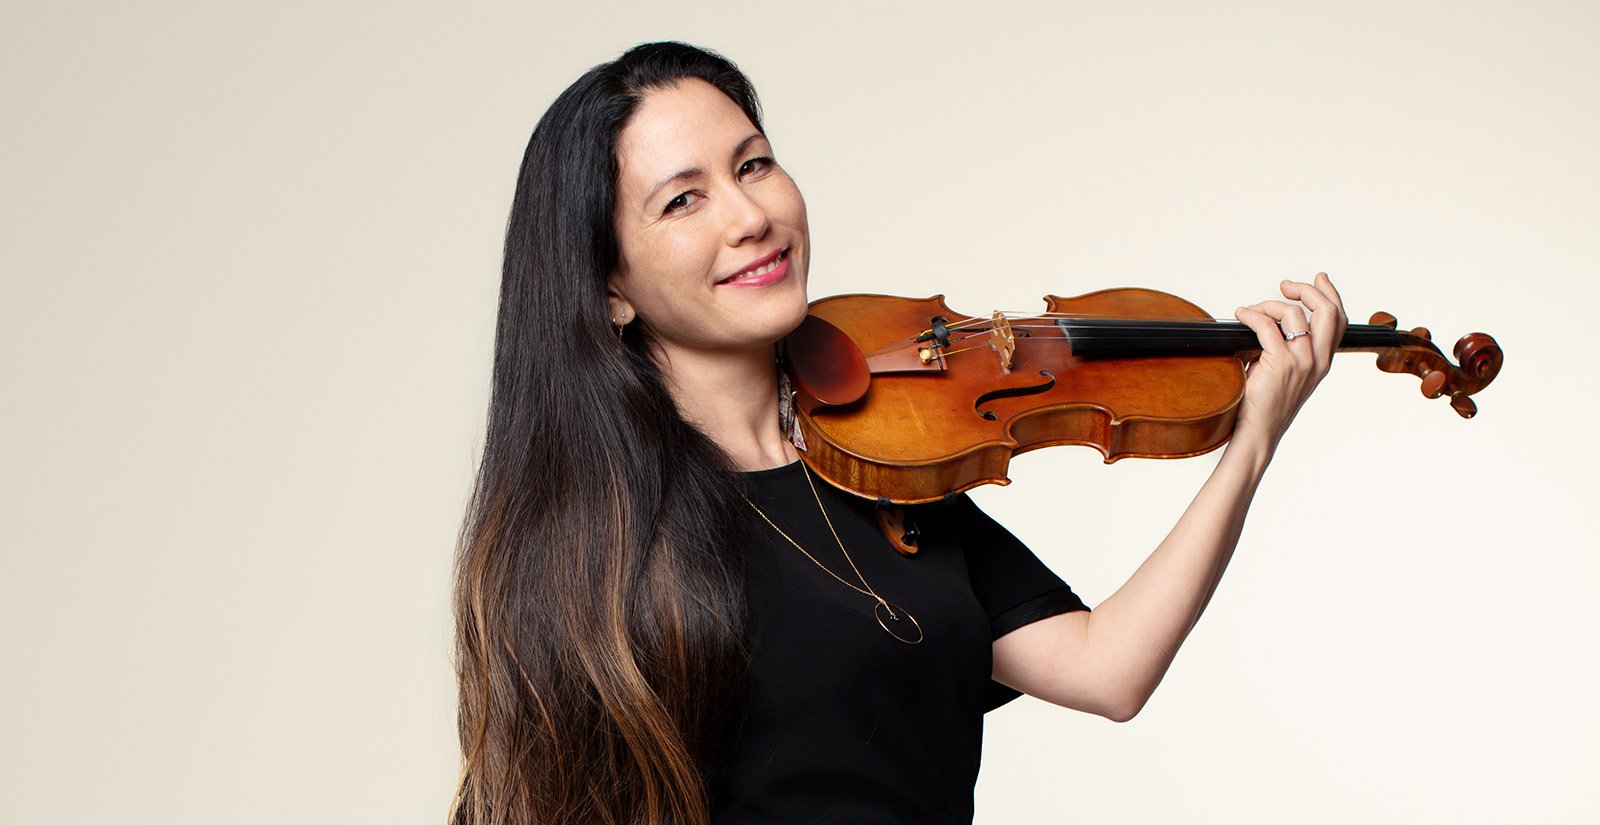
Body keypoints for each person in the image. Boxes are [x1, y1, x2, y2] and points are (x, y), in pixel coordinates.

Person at [450, 41, 1347, 825]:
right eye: (683, 200)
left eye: (753, 165)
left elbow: (1106, 668)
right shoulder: (598, 535)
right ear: (610, 287)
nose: (749, 217)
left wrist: (1253, 439)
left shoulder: (886, 462)